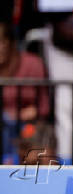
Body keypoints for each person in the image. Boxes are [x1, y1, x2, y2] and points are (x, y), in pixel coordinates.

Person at [0, 22, 50, 164]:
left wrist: (32, 112)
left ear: (11, 43)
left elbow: (44, 106)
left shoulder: (33, 64)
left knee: (38, 151)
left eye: (3, 42)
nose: (0, 48)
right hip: (4, 127)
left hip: (29, 126)